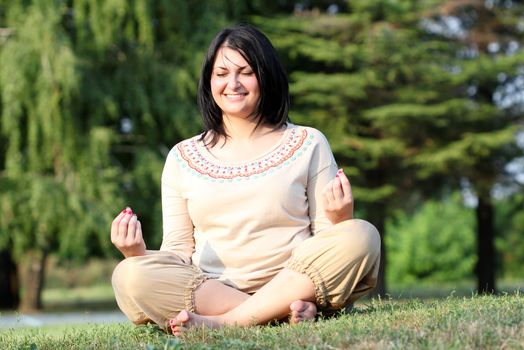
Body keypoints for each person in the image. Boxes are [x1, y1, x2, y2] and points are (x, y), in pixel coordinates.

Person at [110, 24, 381, 336]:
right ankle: (280, 313)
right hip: (214, 291)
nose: (233, 83)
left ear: (265, 77)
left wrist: (340, 218)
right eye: (221, 73)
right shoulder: (182, 156)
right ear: (209, 81)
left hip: (294, 279)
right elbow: (179, 249)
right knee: (128, 275)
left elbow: (326, 237)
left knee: (361, 234)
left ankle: (227, 323)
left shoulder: (308, 142)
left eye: (246, 72)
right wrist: (137, 252)